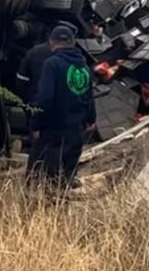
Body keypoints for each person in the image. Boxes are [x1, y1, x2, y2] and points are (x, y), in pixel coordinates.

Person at [26, 25, 96, 192]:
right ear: (72, 42)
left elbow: (45, 99)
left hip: (54, 132)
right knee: (66, 178)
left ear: (51, 43)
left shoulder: (52, 64)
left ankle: (42, 214)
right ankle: (63, 211)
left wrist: (36, 125)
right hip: (76, 131)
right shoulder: (83, 67)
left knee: (41, 178)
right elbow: (89, 96)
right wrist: (90, 119)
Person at [15, 21, 78, 105]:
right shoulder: (77, 59)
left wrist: (29, 103)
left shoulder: (35, 52)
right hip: (65, 110)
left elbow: (21, 81)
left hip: (38, 106)